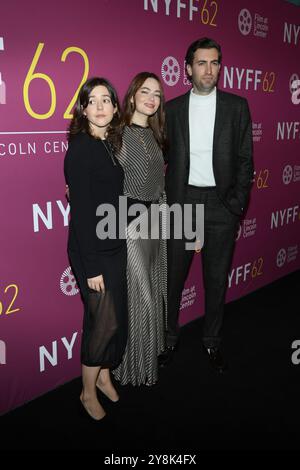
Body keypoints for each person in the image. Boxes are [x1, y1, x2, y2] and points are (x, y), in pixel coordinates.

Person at [159, 38, 254, 372]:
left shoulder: (236, 106)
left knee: (216, 279)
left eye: (215, 63)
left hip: (220, 204)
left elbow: (245, 160)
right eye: (202, 63)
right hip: (184, 203)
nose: (209, 70)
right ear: (188, 68)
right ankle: (168, 340)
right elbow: (158, 158)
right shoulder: (170, 109)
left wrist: (236, 204)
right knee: (174, 279)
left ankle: (212, 342)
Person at [64, 77, 127, 420]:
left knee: (114, 322)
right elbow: (84, 215)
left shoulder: (108, 144)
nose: (101, 106)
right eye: (93, 100)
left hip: (114, 245)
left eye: (107, 100)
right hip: (93, 252)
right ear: (83, 109)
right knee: (101, 324)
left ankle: (103, 376)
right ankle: (87, 393)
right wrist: (92, 269)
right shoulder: (82, 149)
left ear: (116, 108)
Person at [112, 72, 167, 386]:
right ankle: (132, 367)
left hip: (156, 223)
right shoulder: (116, 134)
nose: (151, 98)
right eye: (145, 91)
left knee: (152, 292)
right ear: (132, 95)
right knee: (141, 298)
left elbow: (158, 184)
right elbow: (105, 182)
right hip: (129, 226)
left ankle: (146, 360)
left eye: (157, 94)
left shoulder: (156, 134)